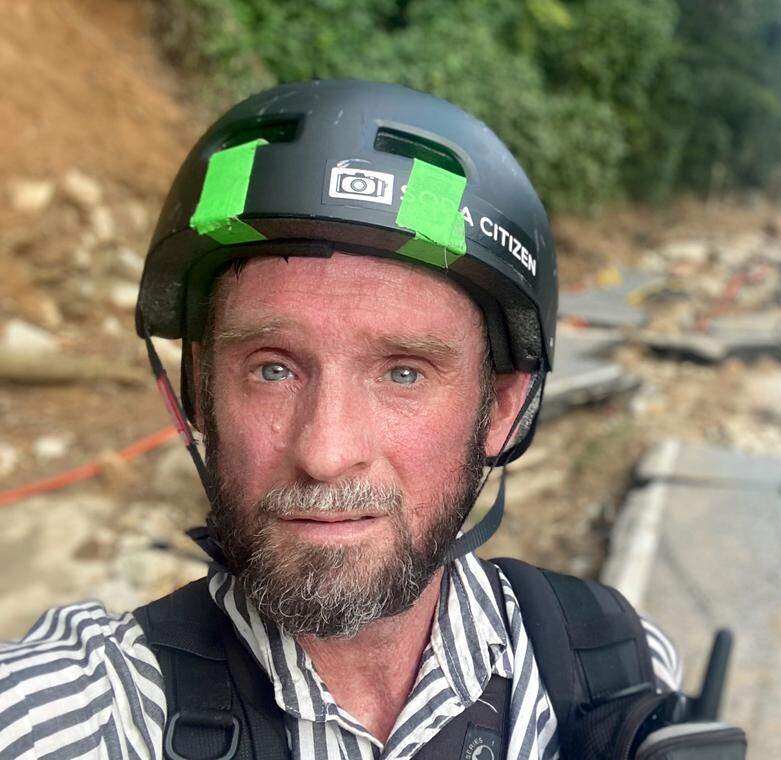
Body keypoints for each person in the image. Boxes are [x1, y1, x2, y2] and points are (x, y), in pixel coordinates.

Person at [0, 81, 688, 759]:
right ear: (200, 392)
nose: (325, 452)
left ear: (502, 407)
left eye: (403, 373)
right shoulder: (81, 713)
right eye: (273, 368)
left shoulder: (623, 669)